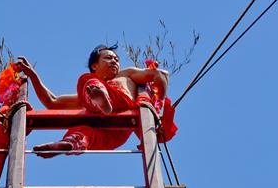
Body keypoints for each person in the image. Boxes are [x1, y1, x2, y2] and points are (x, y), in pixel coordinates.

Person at [15, 45, 175, 156]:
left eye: (116, 59)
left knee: (87, 82)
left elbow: (161, 75)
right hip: (106, 134)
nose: (115, 61)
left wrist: (158, 107)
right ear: (95, 65)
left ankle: (105, 102)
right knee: (83, 131)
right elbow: (52, 101)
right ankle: (68, 144)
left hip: (121, 109)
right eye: (108, 58)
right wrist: (33, 76)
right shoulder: (88, 93)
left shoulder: (126, 75)